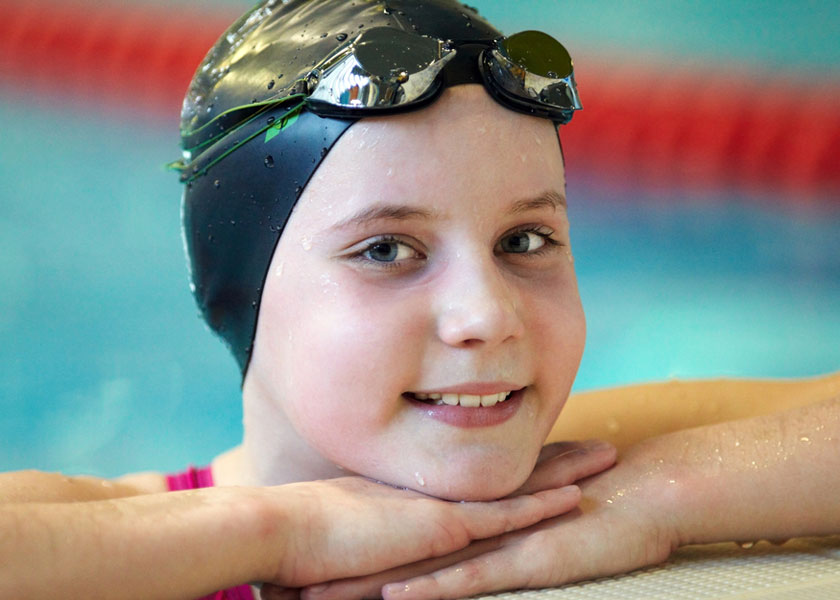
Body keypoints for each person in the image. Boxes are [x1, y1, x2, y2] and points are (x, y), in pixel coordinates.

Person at [1, 1, 838, 599]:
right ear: (241, 289)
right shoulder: (119, 526)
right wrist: (289, 533)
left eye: (525, 241)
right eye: (387, 250)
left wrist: (659, 497)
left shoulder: (596, 461)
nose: (487, 316)